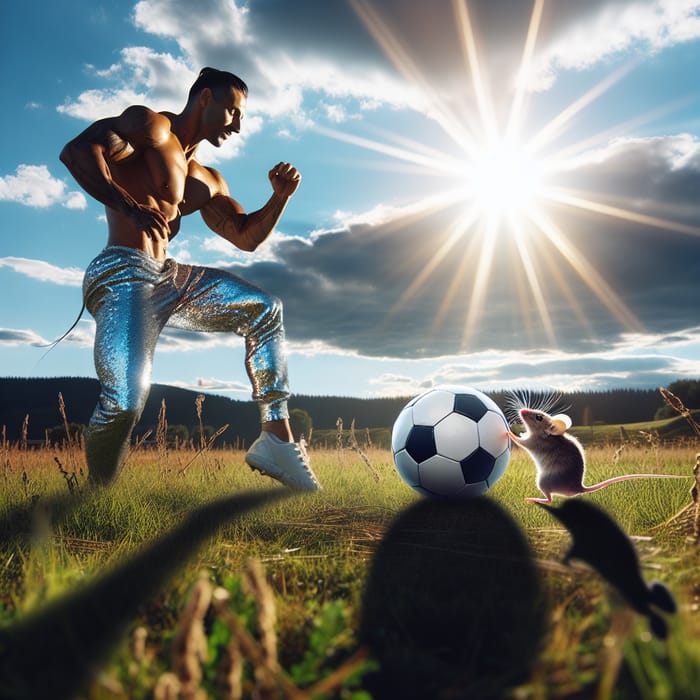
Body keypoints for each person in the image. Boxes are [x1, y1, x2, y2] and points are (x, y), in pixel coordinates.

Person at [59, 67, 321, 492]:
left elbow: (245, 236)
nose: (238, 124)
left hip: (169, 278)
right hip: (123, 270)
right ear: (204, 99)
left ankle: (277, 439)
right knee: (125, 403)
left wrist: (279, 198)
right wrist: (128, 206)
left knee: (264, 309)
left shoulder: (206, 179)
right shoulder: (151, 128)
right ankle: (94, 493)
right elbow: (77, 152)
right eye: (233, 111)